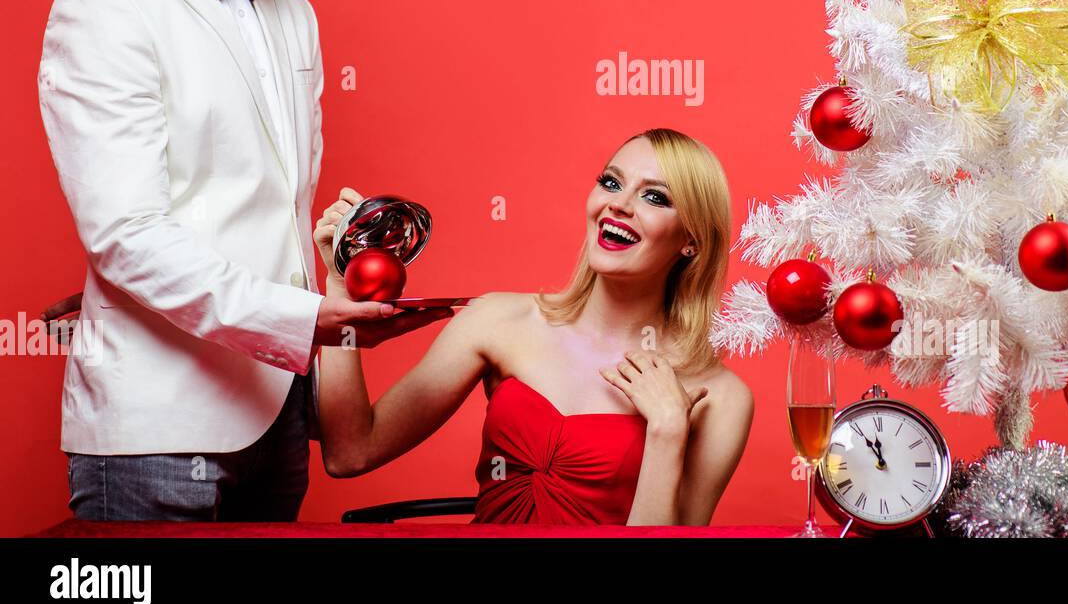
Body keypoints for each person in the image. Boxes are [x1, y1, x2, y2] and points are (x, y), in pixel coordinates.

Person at [36, 0, 440, 522]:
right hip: (157, 424)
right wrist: (301, 321)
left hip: (279, 416)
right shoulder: (104, 6)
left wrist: (341, 283)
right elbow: (125, 234)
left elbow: (265, 208)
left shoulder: (294, 12)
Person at [315, 128, 754, 524]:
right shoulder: (497, 320)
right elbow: (350, 452)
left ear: (692, 240)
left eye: (654, 197)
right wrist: (339, 286)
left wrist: (667, 429)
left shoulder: (720, 397)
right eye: (611, 182)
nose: (619, 204)